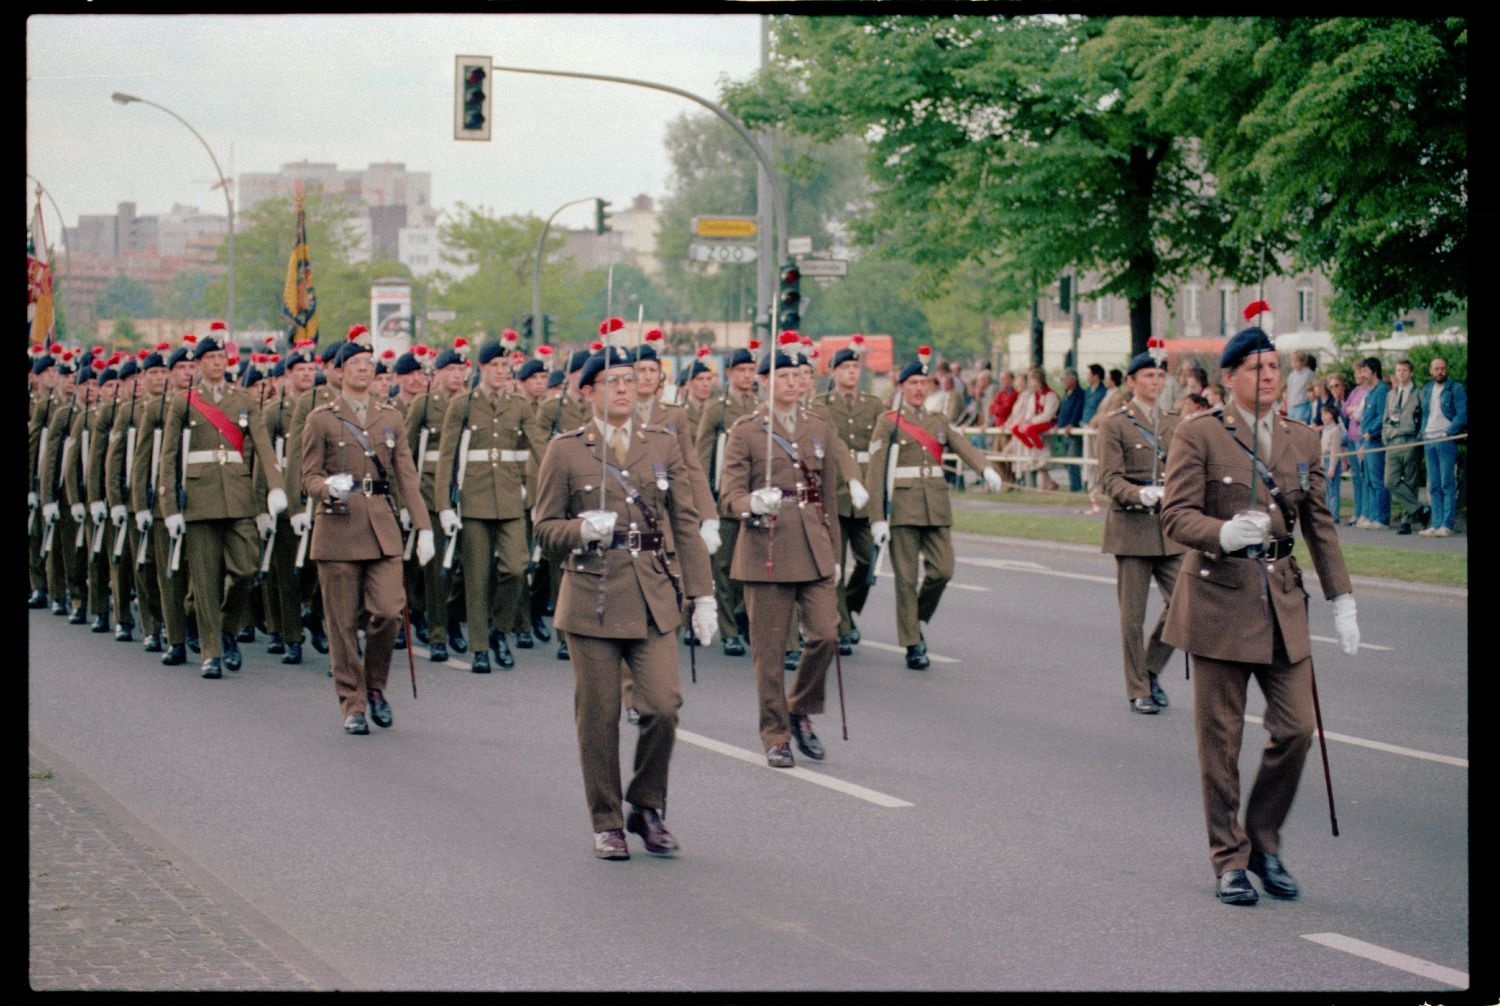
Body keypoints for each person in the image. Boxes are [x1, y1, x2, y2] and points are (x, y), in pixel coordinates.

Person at [1160, 325, 1360, 906]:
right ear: (1229, 378)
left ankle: (1264, 840)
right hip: (1218, 599)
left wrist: (1341, 598)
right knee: (1219, 743)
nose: (1268, 376)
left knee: (1296, 728)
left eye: (1273, 366)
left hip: (1280, 602)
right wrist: (1221, 532)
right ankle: (1230, 858)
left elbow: (1320, 524)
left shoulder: (1301, 437)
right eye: (1255, 367)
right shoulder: (1198, 434)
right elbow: (1175, 517)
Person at [532, 341, 716, 860]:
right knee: (599, 716)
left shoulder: (661, 442)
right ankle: (608, 821)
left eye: (630, 380)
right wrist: (579, 529)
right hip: (591, 593)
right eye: (611, 381)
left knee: (662, 706)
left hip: (653, 592)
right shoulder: (567, 449)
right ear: (587, 391)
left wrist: (703, 594)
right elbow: (543, 527)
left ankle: (646, 805)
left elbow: (684, 520)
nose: (623, 389)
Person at [301, 334, 434, 734]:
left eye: (369, 362)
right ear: (340, 372)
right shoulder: (321, 418)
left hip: (381, 525)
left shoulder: (390, 417)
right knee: (341, 625)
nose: (364, 367)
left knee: (388, 612)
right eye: (356, 362)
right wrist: (326, 487)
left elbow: (407, 477)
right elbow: (307, 477)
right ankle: (352, 704)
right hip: (338, 525)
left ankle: (375, 687)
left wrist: (424, 526)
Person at [720, 335, 841, 768]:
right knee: (768, 653)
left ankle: (800, 709)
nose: (792, 382)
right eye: (782, 375)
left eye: (797, 375)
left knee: (826, 633)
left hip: (812, 544)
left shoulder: (818, 426)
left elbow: (829, 496)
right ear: (765, 382)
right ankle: (775, 735)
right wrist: (751, 503)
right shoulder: (746, 432)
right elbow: (729, 493)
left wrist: (836, 553)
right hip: (765, 544)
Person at [158, 322, 288, 679]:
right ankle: (211, 654)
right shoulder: (184, 403)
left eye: (221, 357)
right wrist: (170, 508)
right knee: (204, 581)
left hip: (237, 497)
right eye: (210, 358)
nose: (217, 363)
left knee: (247, 570)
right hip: (198, 501)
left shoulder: (243, 401)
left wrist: (275, 487)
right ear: (199, 364)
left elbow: (262, 446)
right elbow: (168, 458)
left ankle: (227, 630)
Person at [865, 348, 1005, 669]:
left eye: (923, 382)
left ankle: (914, 617)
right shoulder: (887, 423)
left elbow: (963, 446)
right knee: (905, 578)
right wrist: (876, 518)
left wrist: (986, 470)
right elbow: (875, 473)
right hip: (902, 509)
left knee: (943, 571)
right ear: (901, 386)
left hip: (936, 507)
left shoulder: (938, 421)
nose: (918, 388)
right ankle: (913, 642)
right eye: (912, 382)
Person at [434, 334, 537, 673]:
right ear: (481, 368)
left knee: (516, 567)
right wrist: (444, 506)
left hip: (509, 499)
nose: (500, 371)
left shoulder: (519, 406)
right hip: (474, 501)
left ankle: (499, 630)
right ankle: (480, 649)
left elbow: (540, 447)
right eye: (494, 366)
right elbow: (447, 458)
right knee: (476, 578)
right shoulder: (463, 404)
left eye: (505, 366)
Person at [1096, 349, 1185, 714]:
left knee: (1184, 602)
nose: (1156, 382)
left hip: (1168, 530)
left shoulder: (1175, 423)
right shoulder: (1115, 423)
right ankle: (1138, 689)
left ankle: (1149, 669)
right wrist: (1140, 494)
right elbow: (1109, 479)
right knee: (1132, 617)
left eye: (1161, 376)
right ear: (1131, 382)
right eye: (1149, 376)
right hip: (1132, 528)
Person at [809, 341, 880, 654]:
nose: (852, 372)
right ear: (834, 372)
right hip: (835, 489)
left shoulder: (874, 404)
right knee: (834, 562)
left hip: (864, 492)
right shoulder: (820, 404)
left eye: (855, 368)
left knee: (868, 561)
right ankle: (842, 626)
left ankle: (849, 607)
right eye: (846, 368)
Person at [696, 341, 764, 657]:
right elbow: (703, 458)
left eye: (752, 370)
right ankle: (730, 631)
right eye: (742, 370)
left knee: (752, 565)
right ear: (730, 373)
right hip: (724, 497)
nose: (748, 376)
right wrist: (706, 501)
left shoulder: (763, 407)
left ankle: (743, 615)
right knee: (723, 567)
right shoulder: (717, 409)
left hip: (756, 498)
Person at [1418, 357, 1466, 537]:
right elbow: (1425, 414)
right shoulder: (1428, 389)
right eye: (1436, 368)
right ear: (1431, 370)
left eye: (1443, 368)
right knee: (1433, 484)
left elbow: (1462, 415)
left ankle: (1447, 524)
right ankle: (1436, 523)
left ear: (1447, 370)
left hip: (1445, 439)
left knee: (1447, 483)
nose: (1440, 372)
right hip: (1429, 439)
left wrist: (1449, 431)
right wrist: (1423, 431)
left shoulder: (1456, 389)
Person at [1380, 358, 1423, 535]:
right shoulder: (1391, 394)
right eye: (1398, 371)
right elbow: (1386, 418)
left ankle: (1406, 521)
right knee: (1390, 481)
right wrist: (1386, 437)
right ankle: (1419, 509)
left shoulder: (1418, 393)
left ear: (1410, 372)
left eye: (1404, 371)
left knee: (1411, 481)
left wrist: (1418, 436)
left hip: (1410, 440)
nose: (1401, 374)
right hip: (1393, 442)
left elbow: (1422, 418)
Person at [1000, 367, 1060, 490]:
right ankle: (1032, 448)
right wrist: (1026, 421)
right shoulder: (1034, 396)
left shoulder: (1050, 395)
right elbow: (1030, 412)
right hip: (1035, 421)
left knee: (1029, 430)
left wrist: (1031, 422)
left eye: (1032, 380)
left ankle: (1041, 450)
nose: (1030, 383)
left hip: (1047, 423)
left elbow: (1048, 414)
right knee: (1018, 429)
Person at [1354, 358, 1391, 529]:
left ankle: (1382, 518)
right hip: (1367, 442)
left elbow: (1382, 415)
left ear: (1374, 371)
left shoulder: (1382, 390)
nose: (1362, 374)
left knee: (1378, 480)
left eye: (1365, 370)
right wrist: (1362, 442)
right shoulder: (1370, 391)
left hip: (1376, 442)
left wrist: (1372, 432)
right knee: (1369, 480)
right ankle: (1372, 515)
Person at [1340, 366, 1370, 527]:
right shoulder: (1356, 391)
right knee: (1356, 478)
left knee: (1365, 477)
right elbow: (1345, 409)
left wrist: (1355, 412)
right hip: (1351, 436)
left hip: (1360, 437)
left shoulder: (1369, 391)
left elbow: (1361, 413)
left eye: (1360, 372)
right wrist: (1352, 410)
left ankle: (1365, 512)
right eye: (1355, 373)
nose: (1357, 375)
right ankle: (1356, 512)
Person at [1054, 368, 1087, 492]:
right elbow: (1062, 411)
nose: (1063, 381)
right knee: (1066, 460)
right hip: (1063, 432)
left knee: (1073, 459)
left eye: (1065, 379)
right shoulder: (1066, 394)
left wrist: (1072, 424)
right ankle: (1074, 485)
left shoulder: (1080, 394)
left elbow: (1078, 410)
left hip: (1073, 432)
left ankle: (1076, 487)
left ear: (1073, 379)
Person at [1284, 350, 1316, 423]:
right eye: (1292, 362)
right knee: (1291, 426)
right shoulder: (1291, 375)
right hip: (1291, 405)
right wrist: (1288, 404)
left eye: (1296, 361)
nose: (1294, 364)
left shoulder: (1309, 374)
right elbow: (1289, 390)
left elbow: (1313, 387)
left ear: (1303, 362)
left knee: (1300, 425)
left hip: (1303, 405)